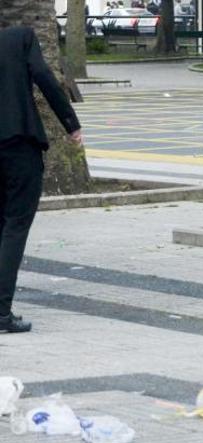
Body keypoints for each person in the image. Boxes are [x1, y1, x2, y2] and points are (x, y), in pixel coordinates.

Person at [0, 27, 82, 334]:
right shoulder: (20, 37)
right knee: (15, 226)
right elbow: (44, 76)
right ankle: (1, 312)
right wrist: (71, 123)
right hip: (18, 142)